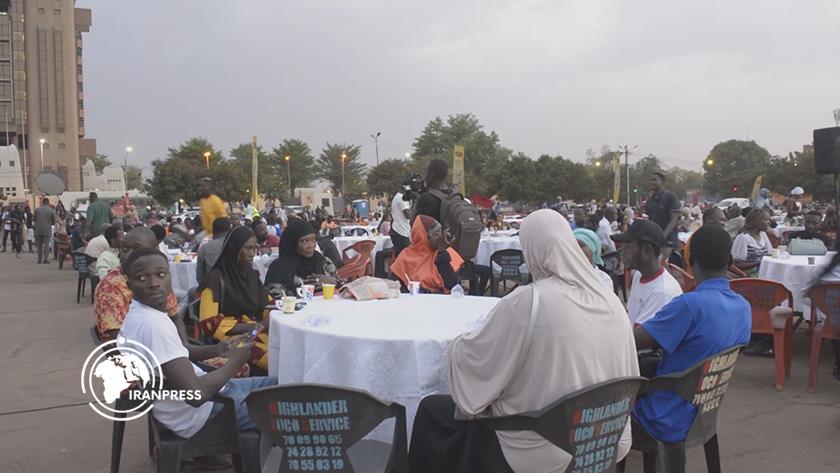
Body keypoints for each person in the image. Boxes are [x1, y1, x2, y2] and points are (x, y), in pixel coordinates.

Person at [409, 209, 639, 472]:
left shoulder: (530, 301)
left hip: (546, 446)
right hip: (606, 437)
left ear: (531, 250)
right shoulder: (610, 299)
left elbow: (475, 365)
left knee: (432, 410)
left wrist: (458, 343)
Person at [118, 248, 274, 441]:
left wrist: (218, 349)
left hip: (200, 399)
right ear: (129, 285)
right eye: (142, 278)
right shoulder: (152, 324)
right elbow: (195, 395)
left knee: (284, 384)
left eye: (160, 275)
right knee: (301, 406)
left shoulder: (142, 313)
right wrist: (235, 361)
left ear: (170, 276)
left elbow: (176, 354)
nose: (154, 284)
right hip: (206, 414)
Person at [632, 226, 751, 444]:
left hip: (665, 415)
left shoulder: (689, 306)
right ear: (730, 261)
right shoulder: (743, 307)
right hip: (704, 408)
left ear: (691, 260)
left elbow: (631, 341)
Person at [197, 226, 271, 370]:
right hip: (230, 340)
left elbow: (267, 303)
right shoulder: (215, 279)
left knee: (288, 349)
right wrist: (257, 326)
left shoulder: (250, 275)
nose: (252, 254)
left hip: (256, 332)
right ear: (234, 249)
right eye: (247, 249)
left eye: (254, 248)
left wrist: (275, 315)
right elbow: (209, 323)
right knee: (272, 359)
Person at [613, 220, 683, 325]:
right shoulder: (638, 275)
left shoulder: (662, 292)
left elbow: (638, 338)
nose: (622, 253)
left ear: (646, 250)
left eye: (627, 247)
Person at [391, 215, 464, 294]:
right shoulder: (406, 256)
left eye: (440, 231)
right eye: (436, 233)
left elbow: (452, 285)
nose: (441, 236)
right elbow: (395, 286)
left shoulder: (446, 253)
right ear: (423, 236)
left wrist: (442, 252)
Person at [265, 219, 339, 295]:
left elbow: (341, 285)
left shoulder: (322, 261)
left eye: (313, 240)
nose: (310, 246)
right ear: (293, 243)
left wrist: (332, 282)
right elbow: (275, 298)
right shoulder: (279, 268)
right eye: (304, 241)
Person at [644, 172, 681, 256]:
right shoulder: (650, 200)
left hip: (668, 241)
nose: (651, 182)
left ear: (662, 182)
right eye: (650, 180)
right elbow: (649, 219)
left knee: (663, 263)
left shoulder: (671, 197)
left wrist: (663, 236)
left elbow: (674, 219)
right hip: (654, 241)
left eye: (655, 180)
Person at [684, 206, 726, 276]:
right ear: (709, 219)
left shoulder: (705, 235)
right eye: (721, 220)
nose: (723, 223)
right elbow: (710, 268)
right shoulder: (702, 239)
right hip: (698, 279)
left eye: (724, 220)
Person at [731, 208, 773, 273]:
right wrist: (758, 263)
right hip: (749, 277)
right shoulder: (743, 238)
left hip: (764, 272)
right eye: (766, 220)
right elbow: (736, 265)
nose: (769, 222)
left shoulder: (763, 235)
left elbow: (770, 254)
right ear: (757, 221)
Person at [412, 159, 450, 223]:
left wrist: (417, 203)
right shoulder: (455, 195)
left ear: (432, 176)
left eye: (426, 173)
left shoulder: (426, 198)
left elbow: (414, 223)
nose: (425, 177)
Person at [196, 217, 231, 287]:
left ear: (213, 231)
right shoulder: (239, 244)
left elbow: (199, 278)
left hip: (212, 289)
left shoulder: (205, 248)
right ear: (230, 230)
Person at [390, 190, 412, 259]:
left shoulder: (397, 197)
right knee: (404, 257)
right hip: (401, 231)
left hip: (398, 230)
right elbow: (408, 215)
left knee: (399, 257)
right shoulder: (402, 198)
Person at [33, 198, 56, 264]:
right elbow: (54, 222)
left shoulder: (37, 210)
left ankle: (39, 259)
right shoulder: (51, 211)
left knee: (39, 245)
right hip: (47, 230)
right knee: (46, 245)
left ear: (42, 202)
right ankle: (46, 259)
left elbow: (34, 219)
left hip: (38, 229)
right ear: (48, 203)